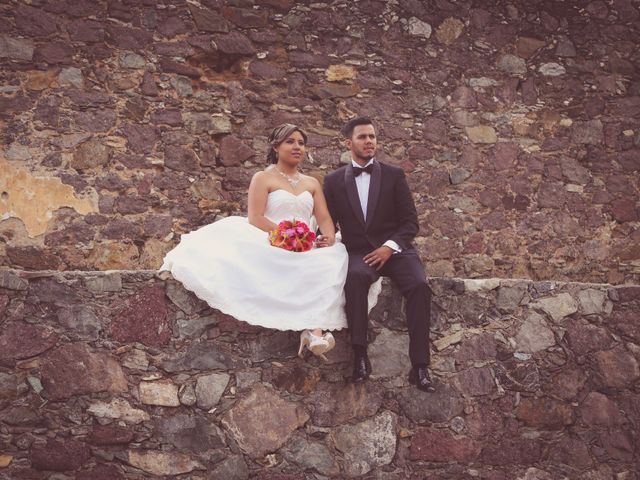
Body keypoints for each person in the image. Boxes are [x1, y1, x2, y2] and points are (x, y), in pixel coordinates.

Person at [160, 123, 379, 360]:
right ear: (276, 147)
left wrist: (326, 236)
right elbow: (255, 217)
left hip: (304, 243)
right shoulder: (263, 178)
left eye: (301, 143)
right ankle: (311, 330)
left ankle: (314, 330)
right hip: (270, 236)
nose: (297, 147)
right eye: (290, 142)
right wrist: (286, 235)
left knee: (332, 260)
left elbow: (324, 217)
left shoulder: (312, 183)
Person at [323, 117, 434, 391]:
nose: (369, 141)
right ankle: (360, 356)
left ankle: (420, 367)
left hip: (397, 250)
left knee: (420, 286)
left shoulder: (394, 175)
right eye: (362, 137)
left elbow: (411, 223)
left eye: (372, 136)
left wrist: (389, 247)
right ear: (349, 143)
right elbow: (328, 222)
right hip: (360, 252)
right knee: (355, 279)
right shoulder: (334, 181)